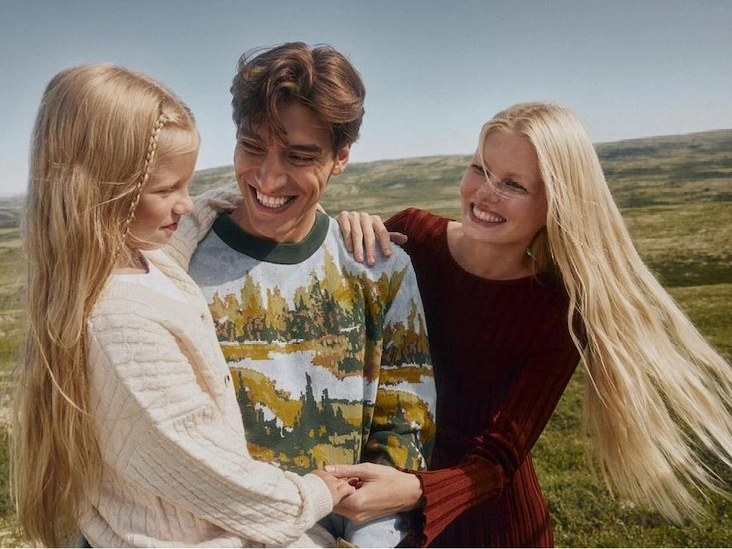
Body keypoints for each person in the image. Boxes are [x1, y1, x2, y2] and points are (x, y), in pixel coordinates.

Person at [327, 101, 732, 547]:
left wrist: (417, 490)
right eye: (480, 169)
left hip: (491, 528)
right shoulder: (412, 236)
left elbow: (499, 459)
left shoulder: (557, 308)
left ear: (556, 203)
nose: (485, 193)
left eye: (514, 184)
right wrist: (341, 238)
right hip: (382, 508)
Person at [11, 63, 357, 548]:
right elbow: (203, 466)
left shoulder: (143, 257)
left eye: (187, 185)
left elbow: (198, 218)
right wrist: (310, 496)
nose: (185, 204)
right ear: (104, 191)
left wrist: (298, 201)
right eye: (166, 190)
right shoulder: (119, 322)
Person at [165, 42, 437, 547]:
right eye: (252, 147)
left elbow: (405, 423)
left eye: (299, 156)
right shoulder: (175, 267)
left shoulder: (381, 269)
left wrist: (370, 531)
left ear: (341, 157)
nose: (268, 177)